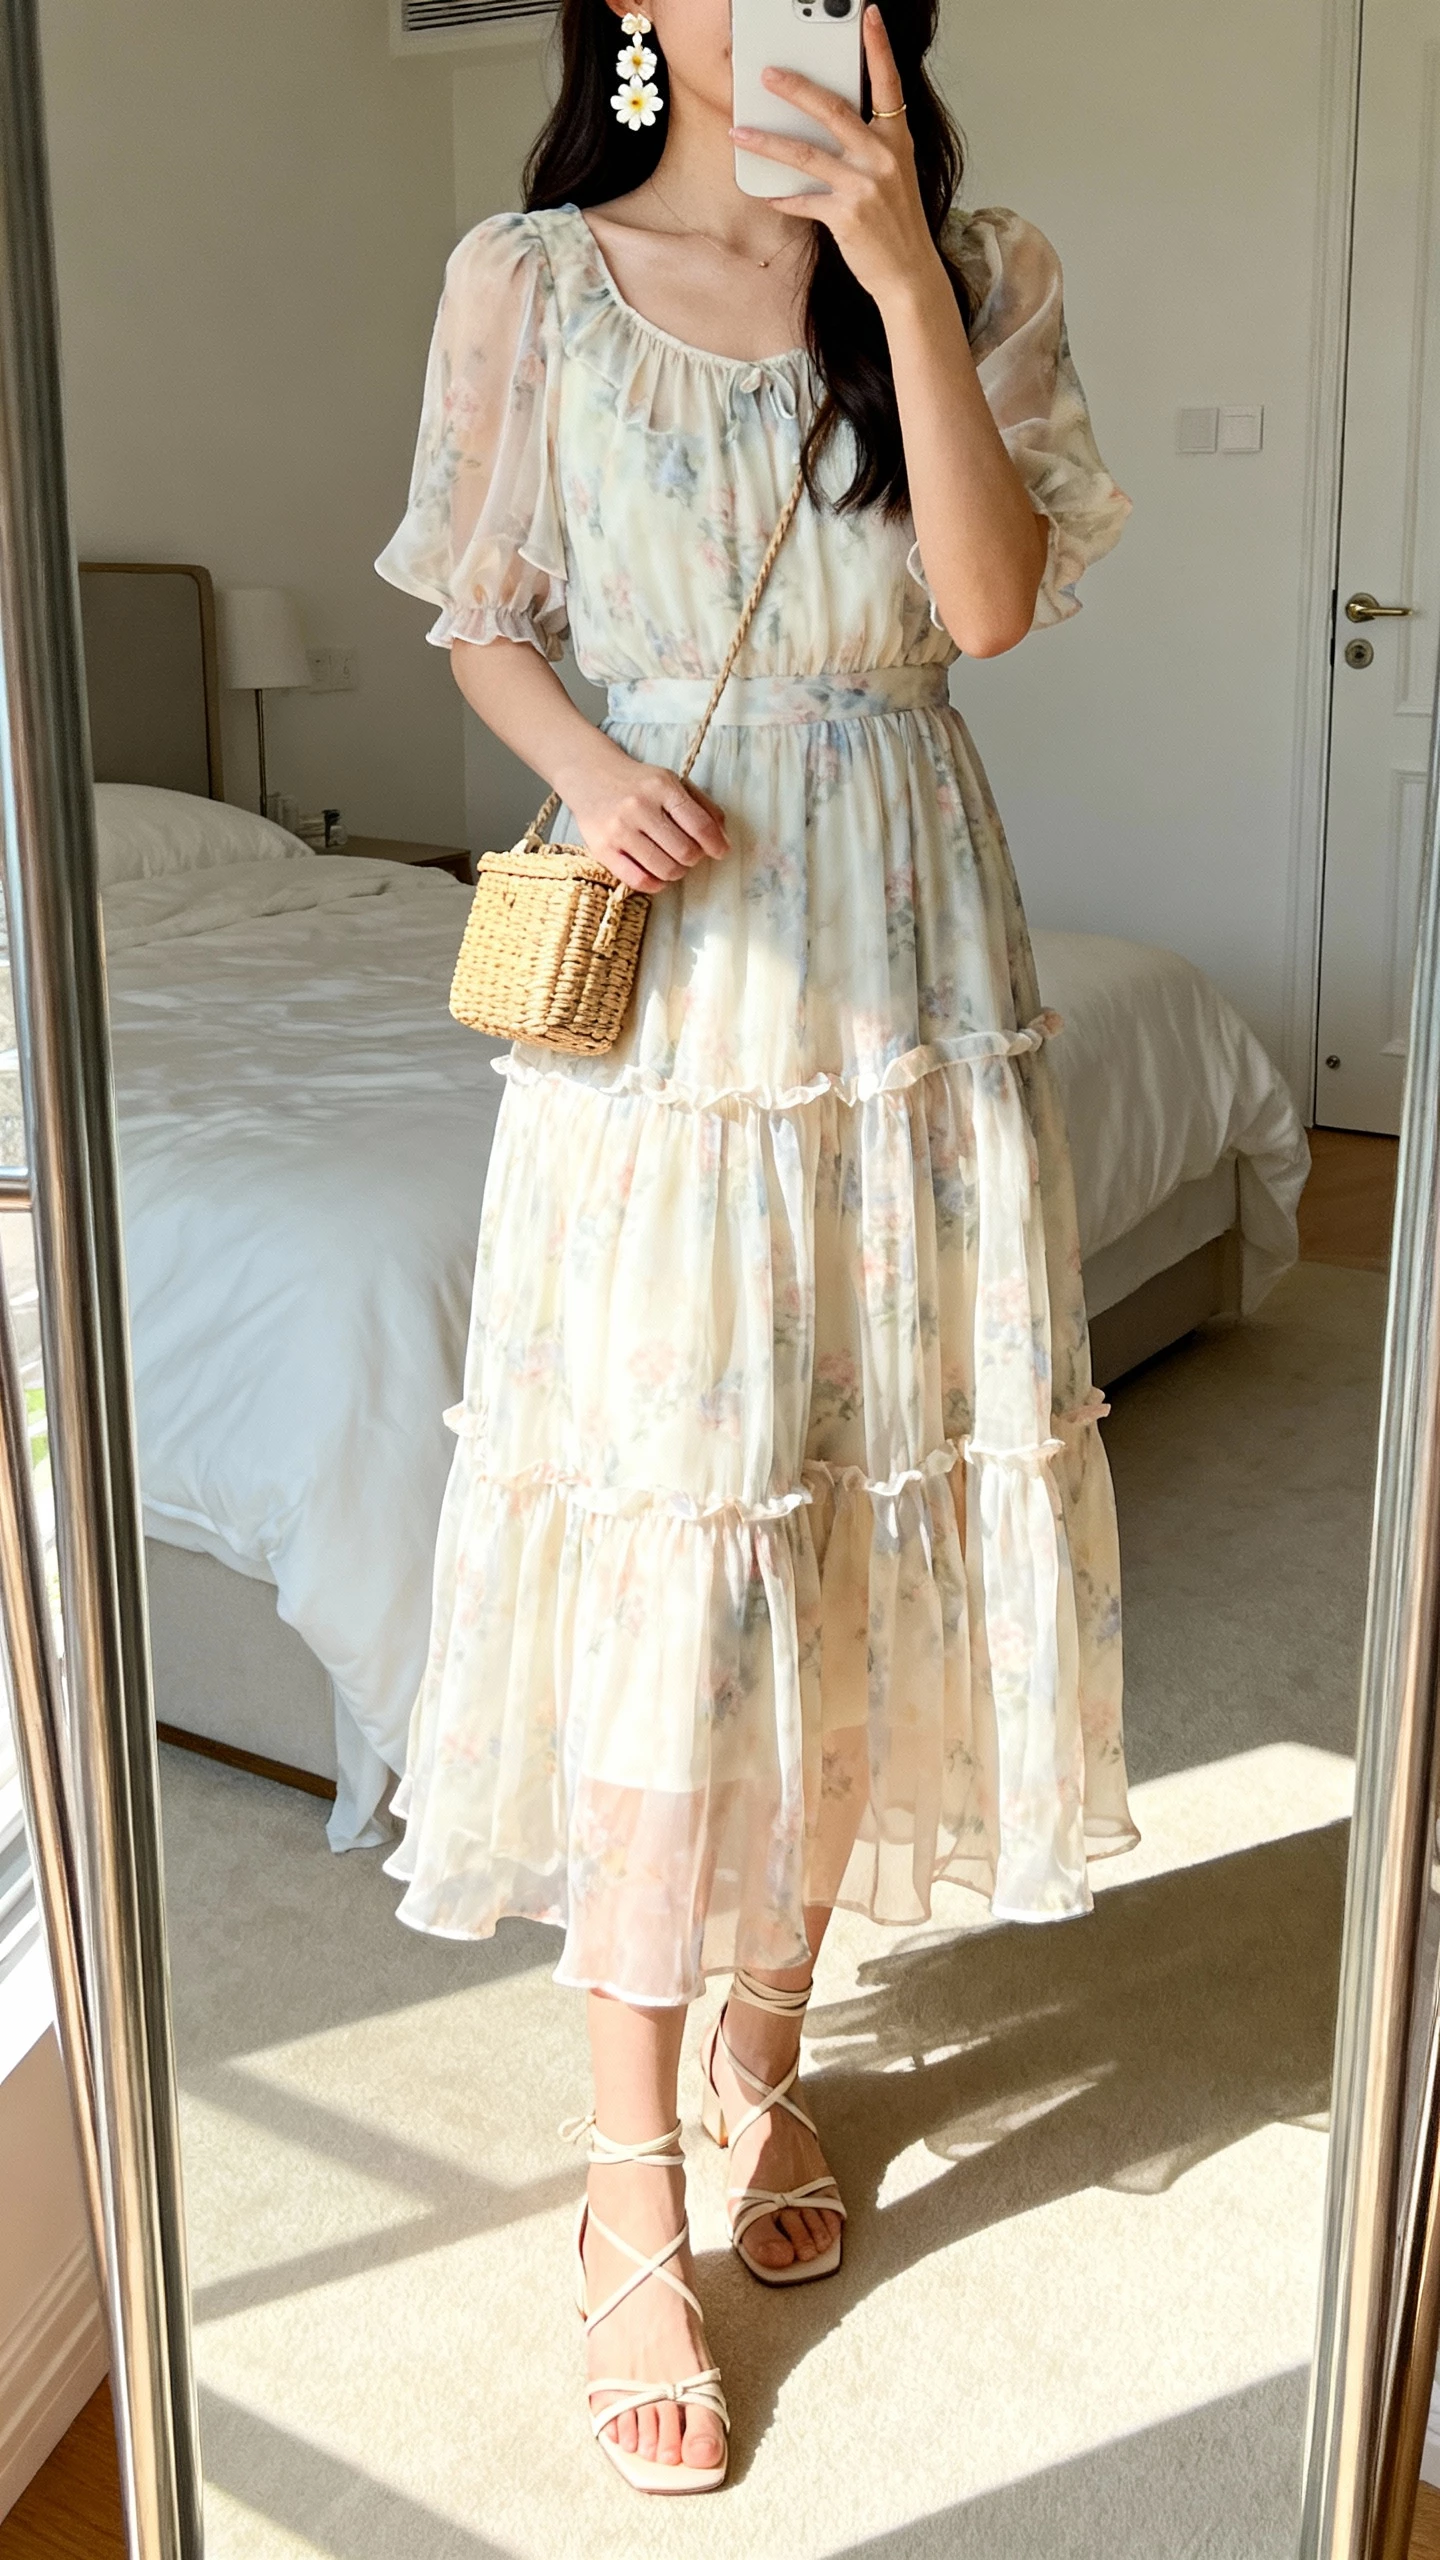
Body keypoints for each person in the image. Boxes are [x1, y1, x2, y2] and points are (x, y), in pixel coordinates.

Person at [376, 0, 1134, 2498]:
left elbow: (994, 610)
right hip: (674, 988)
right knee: (675, 1563)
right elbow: (482, 605)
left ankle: (766, 2051)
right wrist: (587, 772)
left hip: (910, 962)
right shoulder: (527, 276)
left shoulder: (981, 257)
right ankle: (626, 2189)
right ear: (629, 15)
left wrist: (900, 273)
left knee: (841, 1526)